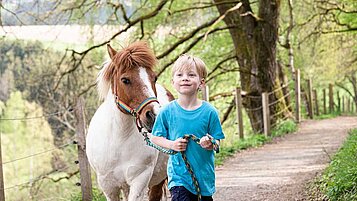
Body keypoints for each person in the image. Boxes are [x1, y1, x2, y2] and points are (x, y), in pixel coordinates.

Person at [151, 54, 225, 201]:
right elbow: (155, 137)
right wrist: (172, 144)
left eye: (191, 75)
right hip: (179, 179)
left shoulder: (210, 112)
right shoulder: (167, 111)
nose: (185, 78)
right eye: (180, 75)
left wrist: (210, 143)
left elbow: (217, 141)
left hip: (204, 178)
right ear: (173, 82)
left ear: (201, 83)